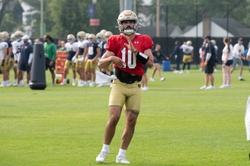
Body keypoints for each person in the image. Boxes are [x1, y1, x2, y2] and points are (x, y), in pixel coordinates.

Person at [96, 10, 154, 164]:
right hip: (119, 84)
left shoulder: (144, 40)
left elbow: (150, 62)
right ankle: (104, 150)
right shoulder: (115, 40)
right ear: (120, 25)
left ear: (135, 24)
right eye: (125, 22)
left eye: (131, 22)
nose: (128, 24)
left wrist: (136, 52)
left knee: (132, 121)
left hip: (135, 85)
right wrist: (112, 58)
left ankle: (121, 154)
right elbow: (100, 64)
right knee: (114, 116)